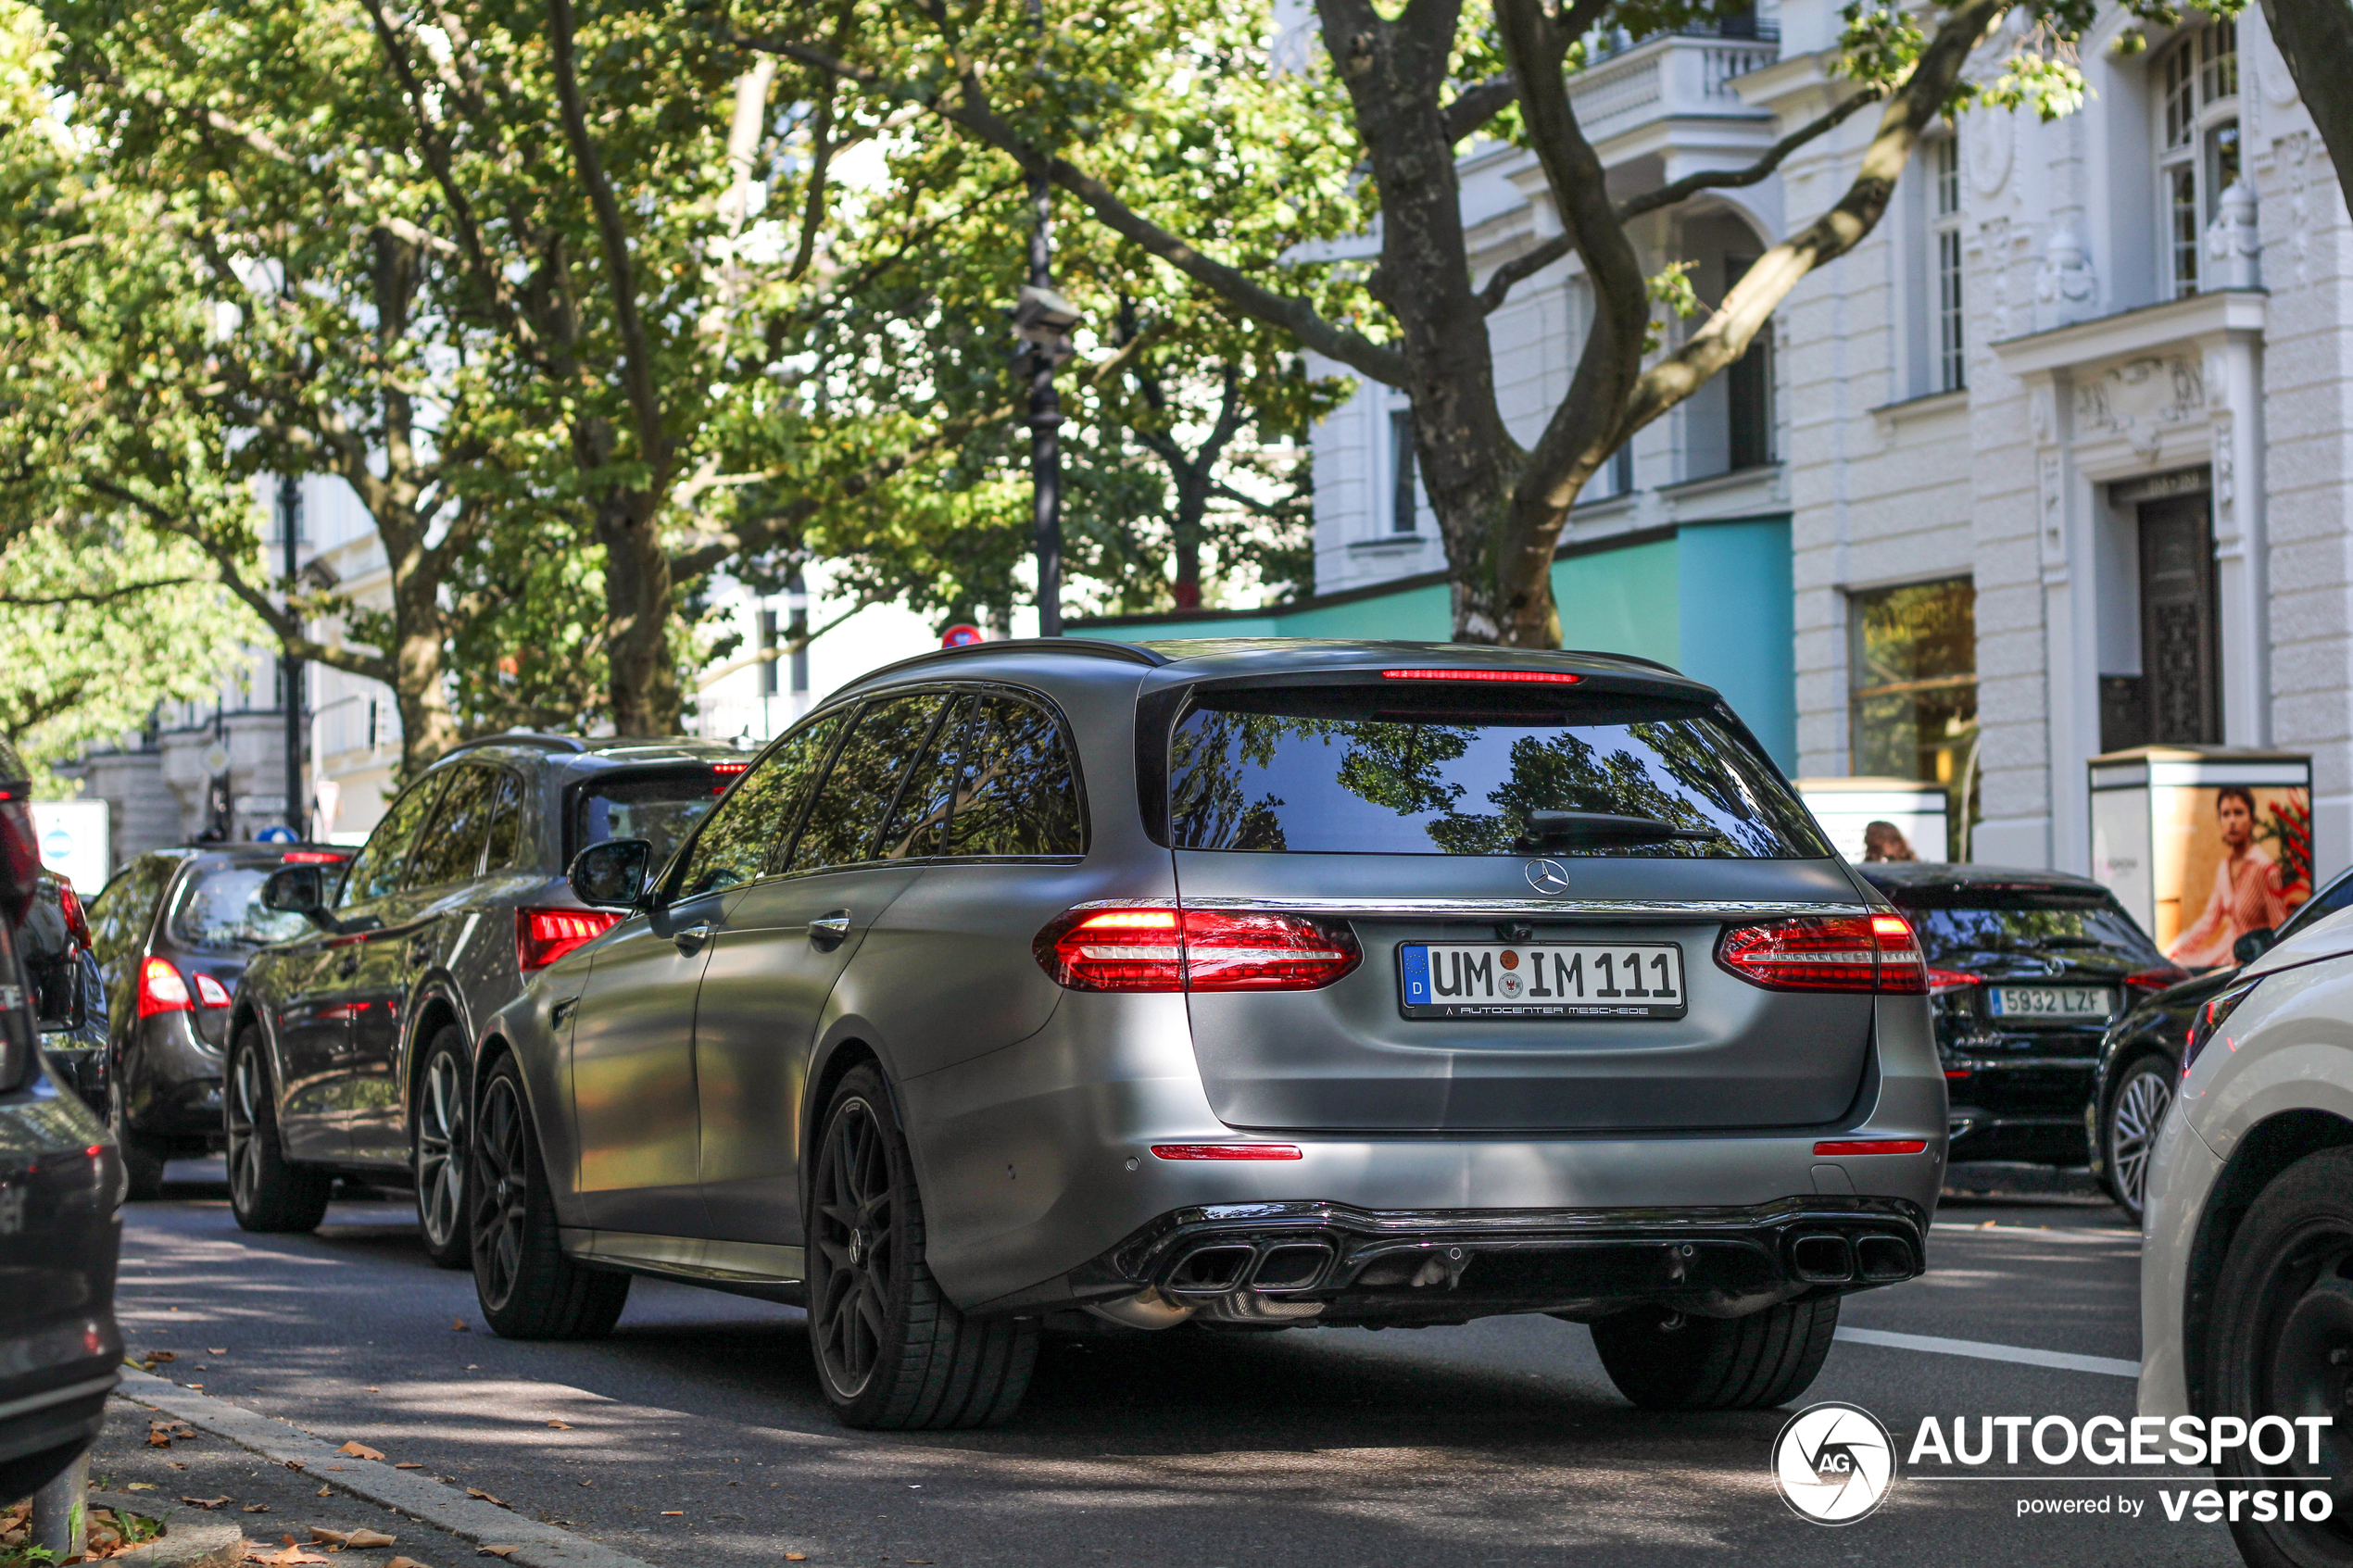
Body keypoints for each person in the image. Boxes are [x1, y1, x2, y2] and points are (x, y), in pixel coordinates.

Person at [2168, 785, 2293, 969]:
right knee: (2176, 965)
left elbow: (2279, 929)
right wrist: (2173, 950)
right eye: (2226, 814)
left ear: (2252, 819)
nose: (2232, 821)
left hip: (2252, 962)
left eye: (2239, 813)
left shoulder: (2266, 869)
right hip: (2223, 955)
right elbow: (2208, 921)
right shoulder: (2224, 868)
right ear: (2220, 820)